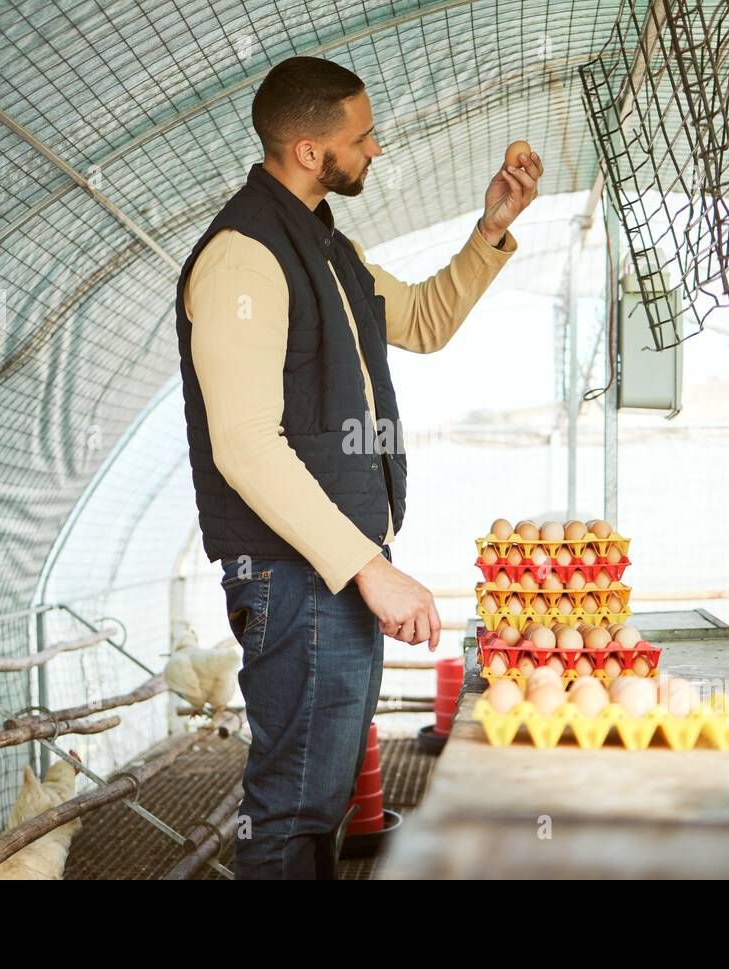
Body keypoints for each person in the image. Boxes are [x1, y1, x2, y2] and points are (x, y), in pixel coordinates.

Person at [174, 55, 542, 878]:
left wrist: (491, 229)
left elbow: (422, 318)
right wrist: (369, 569)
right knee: (293, 806)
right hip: (295, 576)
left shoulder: (330, 248)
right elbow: (244, 446)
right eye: (361, 136)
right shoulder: (244, 258)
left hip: (329, 571)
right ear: (309, 151)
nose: (376, 150)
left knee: (320, 797)